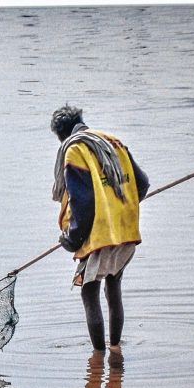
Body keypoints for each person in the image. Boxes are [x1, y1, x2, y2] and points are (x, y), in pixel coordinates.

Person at [50, 105, 149, 353]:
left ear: (61, 135)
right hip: (125, 231)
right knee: (113, 287)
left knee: (89, 292)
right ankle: (115, 349)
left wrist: (72, 239)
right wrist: (120, 206)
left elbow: (83, 204)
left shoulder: (75, 150)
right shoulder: (113, 142)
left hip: (101, 234)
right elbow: (142, 184)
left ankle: (98, 358)